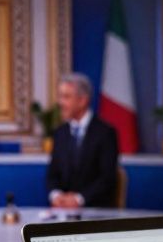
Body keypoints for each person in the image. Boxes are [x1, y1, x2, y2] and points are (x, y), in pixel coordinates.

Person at [45, 73, 120, 208]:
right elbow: (52, 175)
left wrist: (79, 199)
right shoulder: (60, 133)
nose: (60, 102)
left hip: (96, 213)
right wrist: (56, 195)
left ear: (82, 100)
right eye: (60, 96)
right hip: (63, 213)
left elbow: (107, 178)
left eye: (66, 97)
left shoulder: (106, 133)